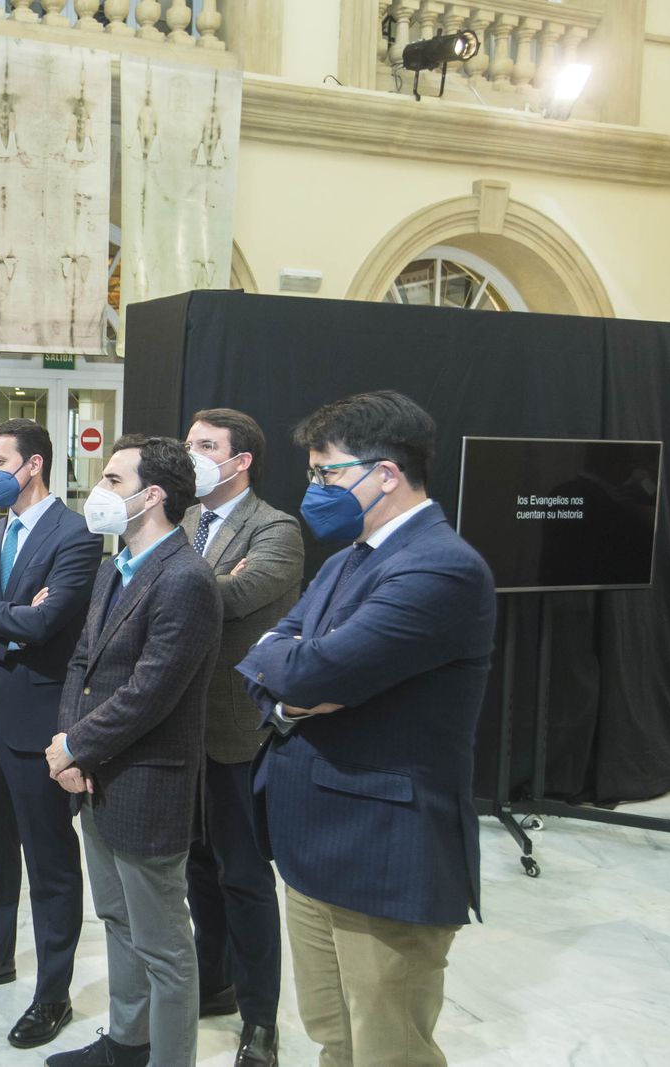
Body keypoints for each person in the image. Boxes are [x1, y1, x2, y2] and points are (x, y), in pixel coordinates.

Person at [236, 391, 496, 1067]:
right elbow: (278, 651)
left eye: (328, 473)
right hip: (314, 840)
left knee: (388, 1049)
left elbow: (310, 667)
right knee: (333, 1034)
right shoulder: (354, 555)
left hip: (381, 852)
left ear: (386, 473)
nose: (315, 488)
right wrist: (294, 689)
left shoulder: (441, 565)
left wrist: (292, 680)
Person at [45, 435, 223, 1067]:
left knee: (166, 950)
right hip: (95, 777)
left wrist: (74, 744)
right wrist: (71, 752)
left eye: (113, 481)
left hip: (148, 784)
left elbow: (152, 692)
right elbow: (82, 666)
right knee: (117, 924)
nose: (101, 492)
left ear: (153, 495)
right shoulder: (112, 566)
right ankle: (126, 1044)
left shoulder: (186, 578)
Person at [0, 418, 102, 1051]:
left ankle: (53, 991)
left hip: (39, 722)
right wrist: (2, 620)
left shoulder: (77, 534)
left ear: (33, 465)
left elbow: (50, 622)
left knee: (50, 860)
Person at [181, 409, 304, 1067]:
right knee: (199, 868)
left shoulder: (277, 529)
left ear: (241, 459)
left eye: (205, 445)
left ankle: (260, 1021)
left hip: (237, 732)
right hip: (181, 729)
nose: (190, 453)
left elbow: (225, 599)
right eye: (188, 442)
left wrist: (182, 583)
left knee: (246, 878)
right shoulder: (183, 522)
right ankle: (214, 980)